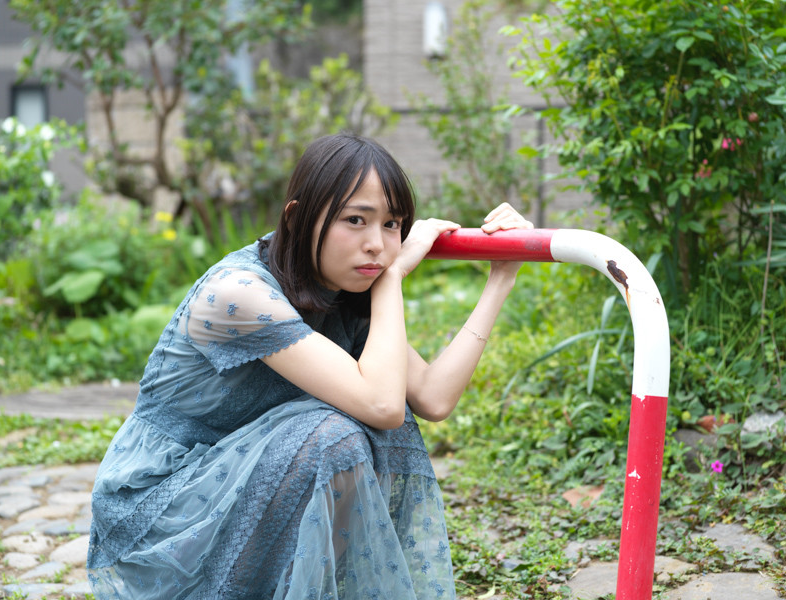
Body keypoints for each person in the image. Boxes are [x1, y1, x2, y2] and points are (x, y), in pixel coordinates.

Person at [87, 133, 533, 599]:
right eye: (355, 220)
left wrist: (501, 278)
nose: (377, 245)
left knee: (363, 424)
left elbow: (433, 397)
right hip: (162, 515)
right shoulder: (238, 293)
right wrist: (394, 278)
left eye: (392, 225)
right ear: (297, 218)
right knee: (332, 435)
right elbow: (382, 405)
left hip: (244, 489)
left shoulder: (343, 290)